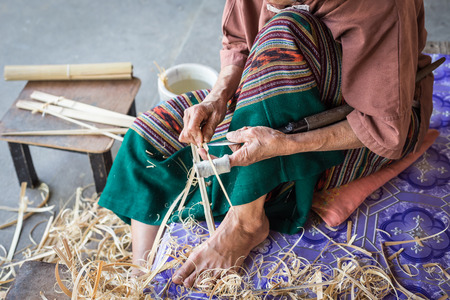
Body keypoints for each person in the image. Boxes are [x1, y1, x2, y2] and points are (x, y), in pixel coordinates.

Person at [99, 0, 433, 288]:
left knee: (283, 30)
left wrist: (286, 144)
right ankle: (139, 282)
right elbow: (241, 43)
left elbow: (387, 127)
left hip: (359, 117)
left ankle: (246, 223)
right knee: (150, 139)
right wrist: (218, 98)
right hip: (276, 84)